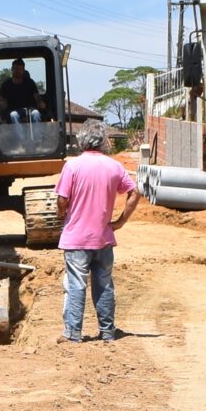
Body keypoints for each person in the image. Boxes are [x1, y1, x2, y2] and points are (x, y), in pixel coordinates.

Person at [55, 126, 137, 343]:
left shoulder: (72, 166)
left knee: (76, 285)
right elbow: (134, 192)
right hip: (103, 238)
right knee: (104, 285)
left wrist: (62, 214)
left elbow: (62, 199)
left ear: (81, 142)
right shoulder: (114, 166)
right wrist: (120, 222)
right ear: (103, 142)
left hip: (76, 239)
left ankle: (73, 333)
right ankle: (108, 332)